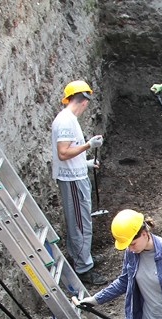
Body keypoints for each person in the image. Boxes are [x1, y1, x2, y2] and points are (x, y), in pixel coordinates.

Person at [51, 80, 105, 286]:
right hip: (72, 181)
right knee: (81, 224)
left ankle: (81, 257)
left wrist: (87, 163)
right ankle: (84, 268)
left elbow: (69, 153)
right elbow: (63, 153)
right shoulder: (66, 121)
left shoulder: (67, 119)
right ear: (84, 102)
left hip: (75, 176)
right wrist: (89, 145)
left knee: (80, 222)